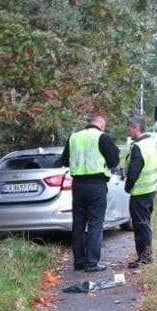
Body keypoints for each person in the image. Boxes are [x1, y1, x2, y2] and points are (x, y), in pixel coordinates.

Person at [58, 114, 120, 272]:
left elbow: (64, 160)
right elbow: (114, 161)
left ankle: (79, 262)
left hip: (78, 185)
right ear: (102, 125)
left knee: (78, 224)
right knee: (95, 223)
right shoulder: (102, 137)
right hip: (96, 185)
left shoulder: (74, 137)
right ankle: (92, 263)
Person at [123, 116, 157, 269]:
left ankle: (144, 257)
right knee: (145, 224)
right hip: (151, 189)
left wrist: (128, 187)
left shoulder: (139, 147)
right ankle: (146, 255)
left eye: (129, 129)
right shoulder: (152, 144)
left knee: (140, 225)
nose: (128, 133)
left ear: (136, 128)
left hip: (139, 192)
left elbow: (134, 172)